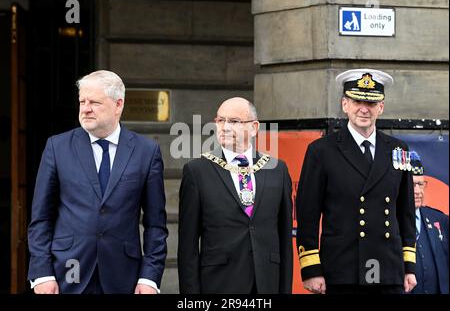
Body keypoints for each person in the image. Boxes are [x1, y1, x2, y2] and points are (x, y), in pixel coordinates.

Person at [27, 70, 168, 294]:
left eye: (94, 102)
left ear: (118, 104)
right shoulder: (57, 147)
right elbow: (41, 218)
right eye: (82, 101)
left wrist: (149, 278)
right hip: (67, 274)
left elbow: (156, 224)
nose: (85, 108)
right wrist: (41, 273)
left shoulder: (146, 151)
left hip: (124, 278)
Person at [296, 69, 417, 294]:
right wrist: (311, 269)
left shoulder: (398, 149)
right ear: (344, 104)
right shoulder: (322, 151)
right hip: (342, 270)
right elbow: (307, 214)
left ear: (381, 107)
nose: (364, 109)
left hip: (388, 269)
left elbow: (406, 212)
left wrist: (409, 266)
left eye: (371, 103)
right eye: (357, 101)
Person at [177, 97, 293, 294]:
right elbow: (187, 247)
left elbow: (284, 239)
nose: (224, 127)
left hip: (266, 283)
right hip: (219, 284)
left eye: (234, 122)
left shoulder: (277, 170)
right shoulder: (198, 171)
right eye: (220, 120)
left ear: (254, 127)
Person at [409, 151, 449, 294]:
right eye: (412, 185)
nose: (418, 191)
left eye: (421, 184)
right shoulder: (387, 221)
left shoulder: (439, 219)